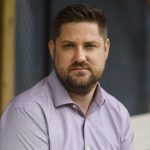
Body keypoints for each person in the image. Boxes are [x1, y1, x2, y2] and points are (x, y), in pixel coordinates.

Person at [0, 3, 134, 150]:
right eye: (69, 46)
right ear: (52, 50)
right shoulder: (26, 113)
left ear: (106, 49)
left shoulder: (118, 115)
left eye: (89, 46)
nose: (80, 57)